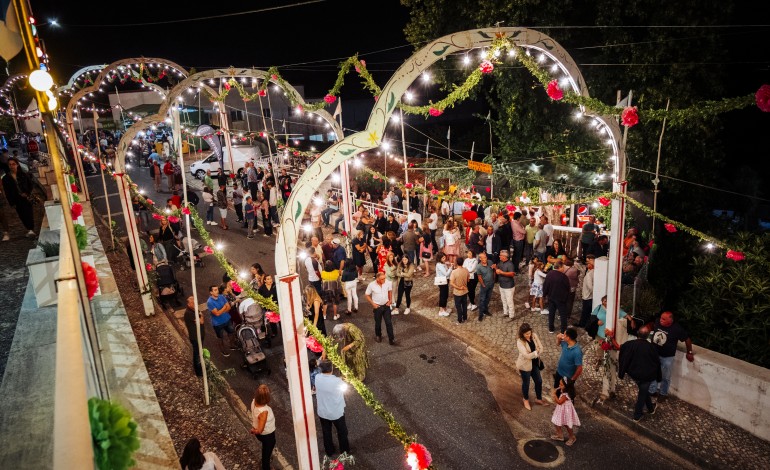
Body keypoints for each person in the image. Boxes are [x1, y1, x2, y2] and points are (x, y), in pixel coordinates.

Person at [648, 311, 695, 400]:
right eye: (661, 318)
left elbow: (687, 340)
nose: (661, 320)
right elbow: (652, 324)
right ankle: (652, 391)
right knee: (652, 373)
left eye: (664, 319)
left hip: (667, 357)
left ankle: (663, 393)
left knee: (666, 376)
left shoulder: (677, 329)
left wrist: (689, 352)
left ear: (670, 320)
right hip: (654, 353)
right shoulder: (658, 321)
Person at [619, 327, 661, 422]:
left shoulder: (629, 344)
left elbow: (620, 348)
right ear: (647, 336)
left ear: (638, 333)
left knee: (644, 391)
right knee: (642, 393)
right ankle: (637, 415)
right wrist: (658, 376)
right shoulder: (652, 348)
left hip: (634, 374)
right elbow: (657, 363)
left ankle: (651, 409)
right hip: (647, 376)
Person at [315, 360, 351, 457]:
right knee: (342, 432)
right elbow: (344, 389)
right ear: (331, 369)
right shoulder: (337, 381)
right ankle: (344, 450)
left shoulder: (317, 378)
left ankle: (329, 450)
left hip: (323, 412)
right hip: (336, 412)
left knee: (326, 432)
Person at [1, 157, 38, 238]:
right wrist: (11, 202)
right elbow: (7, 192)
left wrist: (27, 193)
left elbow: (30, 185)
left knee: (29, 213)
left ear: (17, 164)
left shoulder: (23, 175)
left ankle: (31, 229)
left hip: (26, 197)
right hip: (16, 199)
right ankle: (29, 229)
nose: (11, 166)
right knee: (21, 214)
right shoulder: (6, 178)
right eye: (10, 164)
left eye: (13, 164)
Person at [516, 323, 549, 410]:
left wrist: (535, 352)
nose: (528, 335)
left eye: (529, 333)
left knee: (539, 381)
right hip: (525, 365)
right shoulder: (520, 341)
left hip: (534, 364)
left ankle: (538, 398)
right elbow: (526, 356)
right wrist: (536, 352)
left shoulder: (534, 336)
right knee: (526, 383)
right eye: (526, 334)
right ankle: (525, 399)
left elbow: (541, 347)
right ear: (522, 334)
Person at [250, 384, 276, 470]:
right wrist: (253, 431)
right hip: (267, 435)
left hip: (257, 428)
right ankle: (266, 467)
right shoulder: (264, 412)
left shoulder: (254, 402)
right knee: (267, 450)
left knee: (266, 448)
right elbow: (260, 430)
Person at [365, 272, 396, 345]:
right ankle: (378, 335)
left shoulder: (387, 282)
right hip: (377, 307)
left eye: (384, 278)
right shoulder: (371, 285)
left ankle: (391, 339)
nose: (384, 280)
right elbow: (367, 295)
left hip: (386, 306)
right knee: (378, 323)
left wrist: (390, 300)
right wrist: (373, 304)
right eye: (382, 279)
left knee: (389, 323)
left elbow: (390, 291)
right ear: (377, 279)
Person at [550, 377, 580, 446]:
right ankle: (560, 435)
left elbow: (559, 402)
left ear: (567, 387)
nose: (559, 386)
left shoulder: (565, 395)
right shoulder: (564, 391)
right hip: (561, 410)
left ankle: (572, 437)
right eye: (559, 384)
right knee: (556, 422)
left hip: (566, 411)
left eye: (561, 385)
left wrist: (554, 395)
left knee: (567, 425)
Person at [207, 285, 235, 357]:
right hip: (218, 323)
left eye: (217, 289)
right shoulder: (209, 302)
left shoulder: (221, 297)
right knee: (220, 338)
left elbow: (228, 307)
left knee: (231, 332)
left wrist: (221, 310)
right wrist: (224, 308)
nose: (217, 291)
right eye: (215, 290)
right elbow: (216, 314)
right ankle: (223, 350)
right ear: (211, 292)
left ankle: (232, 345)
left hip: (227, 319)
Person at [543, 260, 571, 334]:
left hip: (551, 297)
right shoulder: (563, 277)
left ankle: (551, 328)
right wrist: (567, 298)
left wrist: (544, 295)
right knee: (563, 315)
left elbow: (545, 285)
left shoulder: (549, 274)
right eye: (563, 267)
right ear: (560, 267)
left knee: (551, 313)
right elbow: (568, 288)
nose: (564, 269)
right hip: (561, 299)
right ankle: (563, 331)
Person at [183, 296, 205, 377]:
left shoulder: (194, 310)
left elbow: (201, 317)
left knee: (199, 352)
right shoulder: (189, 313)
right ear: (189, 304)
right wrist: (200, 315)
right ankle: (198, 372)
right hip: (196, 337)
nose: (195, 304)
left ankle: (200, 367)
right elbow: (202, 321)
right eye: (193, 303)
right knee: (197, 354)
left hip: (199, 335)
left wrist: (200, 314)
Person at [495, 250, 516, 320]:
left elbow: (512, 274)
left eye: (500, 255)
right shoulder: (501, 262)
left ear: (504, 257)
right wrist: (495, 267)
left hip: (509, 286)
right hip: (502, 285)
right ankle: (505, 312)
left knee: (509, 301)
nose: (499, 256)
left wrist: (502, 272)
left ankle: (511, 315)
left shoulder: (510, 264)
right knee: (503, 300)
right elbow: (497, 268)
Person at [576, 255, 595, 328]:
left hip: (587, 296)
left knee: (585, 311)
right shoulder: (590, 272)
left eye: (588, 263)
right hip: (587, 295)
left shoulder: (590, 274)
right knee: (586, 311)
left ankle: (583, 324)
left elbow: (590, 287)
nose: (587, 265)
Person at [449, 257, 469, 324]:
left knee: (458, 307)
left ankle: (460, 320)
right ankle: (465, 318)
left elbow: (451, 283)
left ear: (456, 263)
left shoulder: (454, 272)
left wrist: (458, 287)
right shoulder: (466, 270)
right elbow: (468, 279)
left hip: (457, 293)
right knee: (464, 305)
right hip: (465, 291)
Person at [475, 252, 495, 320]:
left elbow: (494, 270)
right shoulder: (478, 267)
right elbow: (479, 277)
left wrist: (494, 279)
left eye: (485, 257)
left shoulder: (490, 262)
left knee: (488, 298)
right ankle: (480, 314)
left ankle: (485, 310)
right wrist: (483, 284)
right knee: (482, 299)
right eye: (483, 258)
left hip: (491, 284)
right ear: (480, 259)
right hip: (484, 285)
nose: (485, 259)